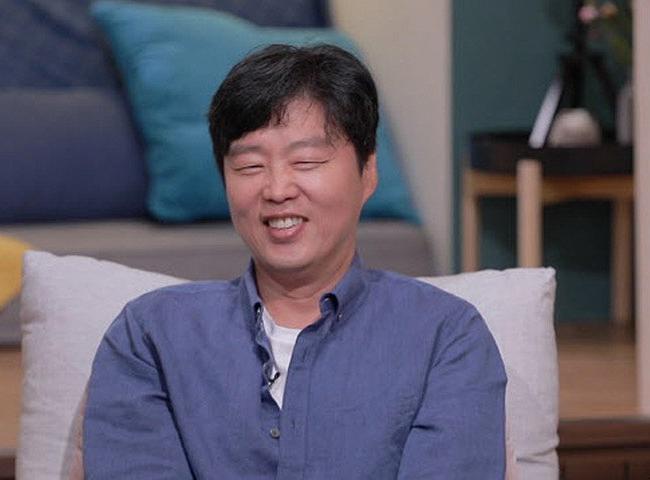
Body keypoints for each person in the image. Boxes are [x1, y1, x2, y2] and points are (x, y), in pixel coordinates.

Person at [83, 43, 507, 479]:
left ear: (368, 172)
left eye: (306, 160)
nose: (277, 189)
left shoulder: (447, 337)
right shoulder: (150, 336)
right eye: (250, 166)